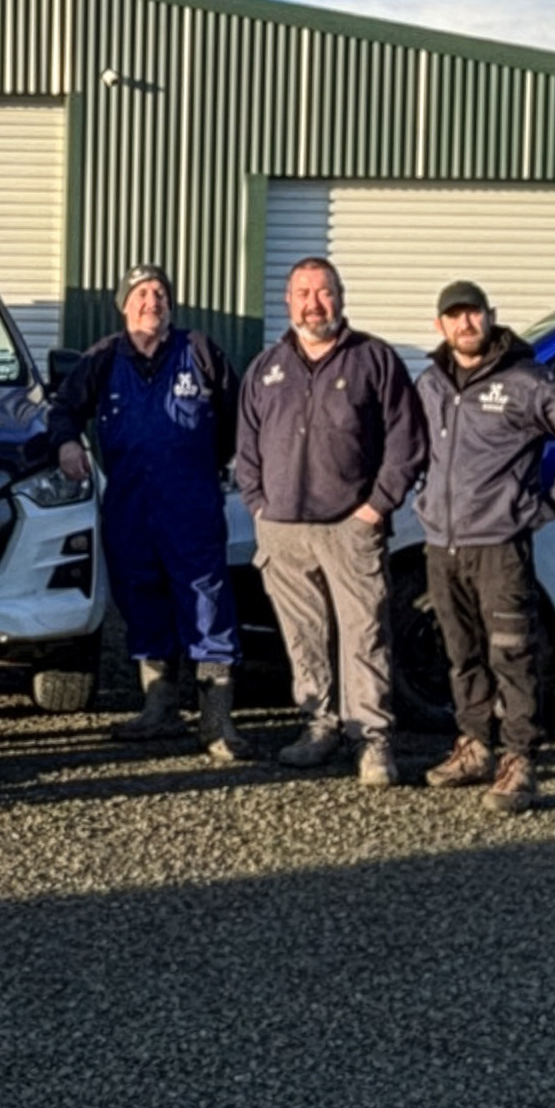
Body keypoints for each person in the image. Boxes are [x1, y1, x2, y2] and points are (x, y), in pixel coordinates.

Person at [416, 279, 555, 814]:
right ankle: (475, 746)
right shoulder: (431, 384)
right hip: (443, 545)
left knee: (513, 653)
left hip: (500, 546)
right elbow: (418, 449)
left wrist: (551, 504)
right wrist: (423, 499)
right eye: (453, 316)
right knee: (460, 653)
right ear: (440, 326)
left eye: (473, 314)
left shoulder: (527, 382)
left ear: (490, 316)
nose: (465, 324)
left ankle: (520, 759)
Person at [236, 256, 426, 786]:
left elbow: (407, 444)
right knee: (304, 636)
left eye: (323, 292)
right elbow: (246, 447)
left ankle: (371, 740)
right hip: (282, 529)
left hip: (351, 526)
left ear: (340, 298)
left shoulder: (374, 360)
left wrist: (375, 507)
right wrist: (258, 505)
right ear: (287, 301)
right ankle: (317, 727)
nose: (313, 303)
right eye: (303, 293)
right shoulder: (266, 368)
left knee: (364, 635)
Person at [47, 263, 249, 760]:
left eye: (159, 293)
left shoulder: (199, 351)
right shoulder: (103, 357)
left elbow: (239, 415)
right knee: (141, 599)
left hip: (192, 502)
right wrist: (68, 443)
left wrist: (224, 465)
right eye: (140, 294)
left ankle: (217, 721)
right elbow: (62, 409)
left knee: (206, 600)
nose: (151, 302)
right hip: (130, 503)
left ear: (171, 304)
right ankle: (159, 708)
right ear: (123, 305)